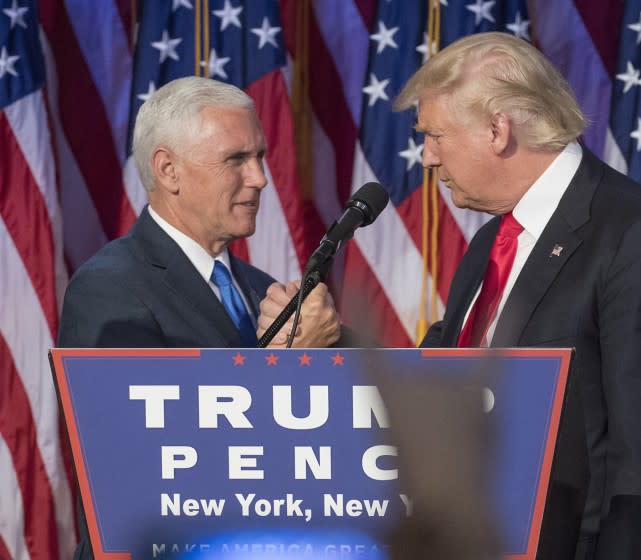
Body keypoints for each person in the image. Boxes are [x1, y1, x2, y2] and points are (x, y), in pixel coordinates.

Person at [58, 76, 343, 559]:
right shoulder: (108, 289)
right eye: (236, 159)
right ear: (168, 169)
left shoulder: (259, 287)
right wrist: (288, 365)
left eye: (259, 157)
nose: (259, 178)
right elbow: (142, 470)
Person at [396, 32, 641, 559]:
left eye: (435, 134)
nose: (427, 156)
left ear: (497, 129)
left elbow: (635, 457)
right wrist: (331, 343)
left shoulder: (628, 231)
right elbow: (444, 373)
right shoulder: (494, 239)